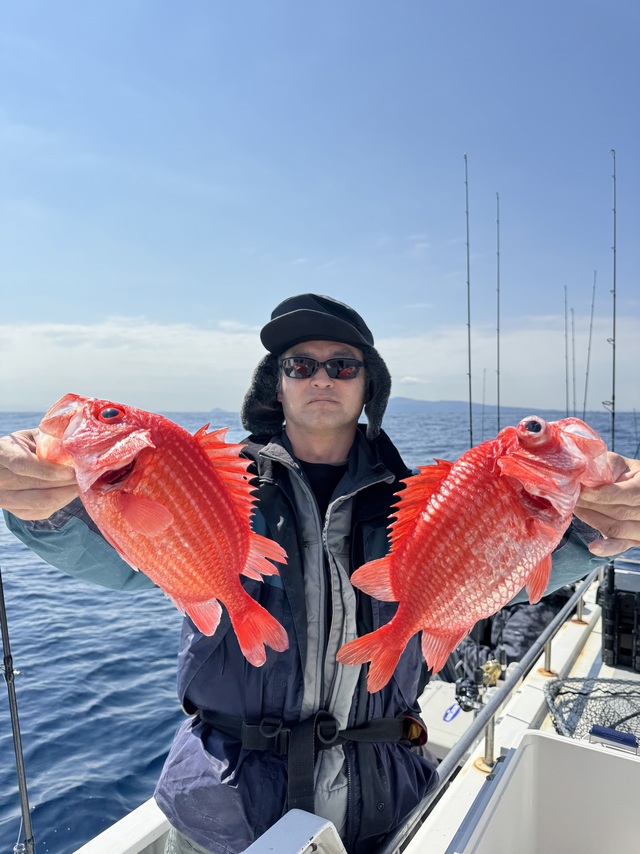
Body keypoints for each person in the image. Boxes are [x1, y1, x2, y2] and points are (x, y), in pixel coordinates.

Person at [1, 294, 639, 854]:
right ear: (276, 386)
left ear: (368, 387)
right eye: (299, 365)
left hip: (382, 804)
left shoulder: (420, 502)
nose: (322, 377)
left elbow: (504, 566)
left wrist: (603, 526)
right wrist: (45, 509)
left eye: (343, 365)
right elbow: (119, 559)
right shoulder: (218, 485)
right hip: (223, 809)